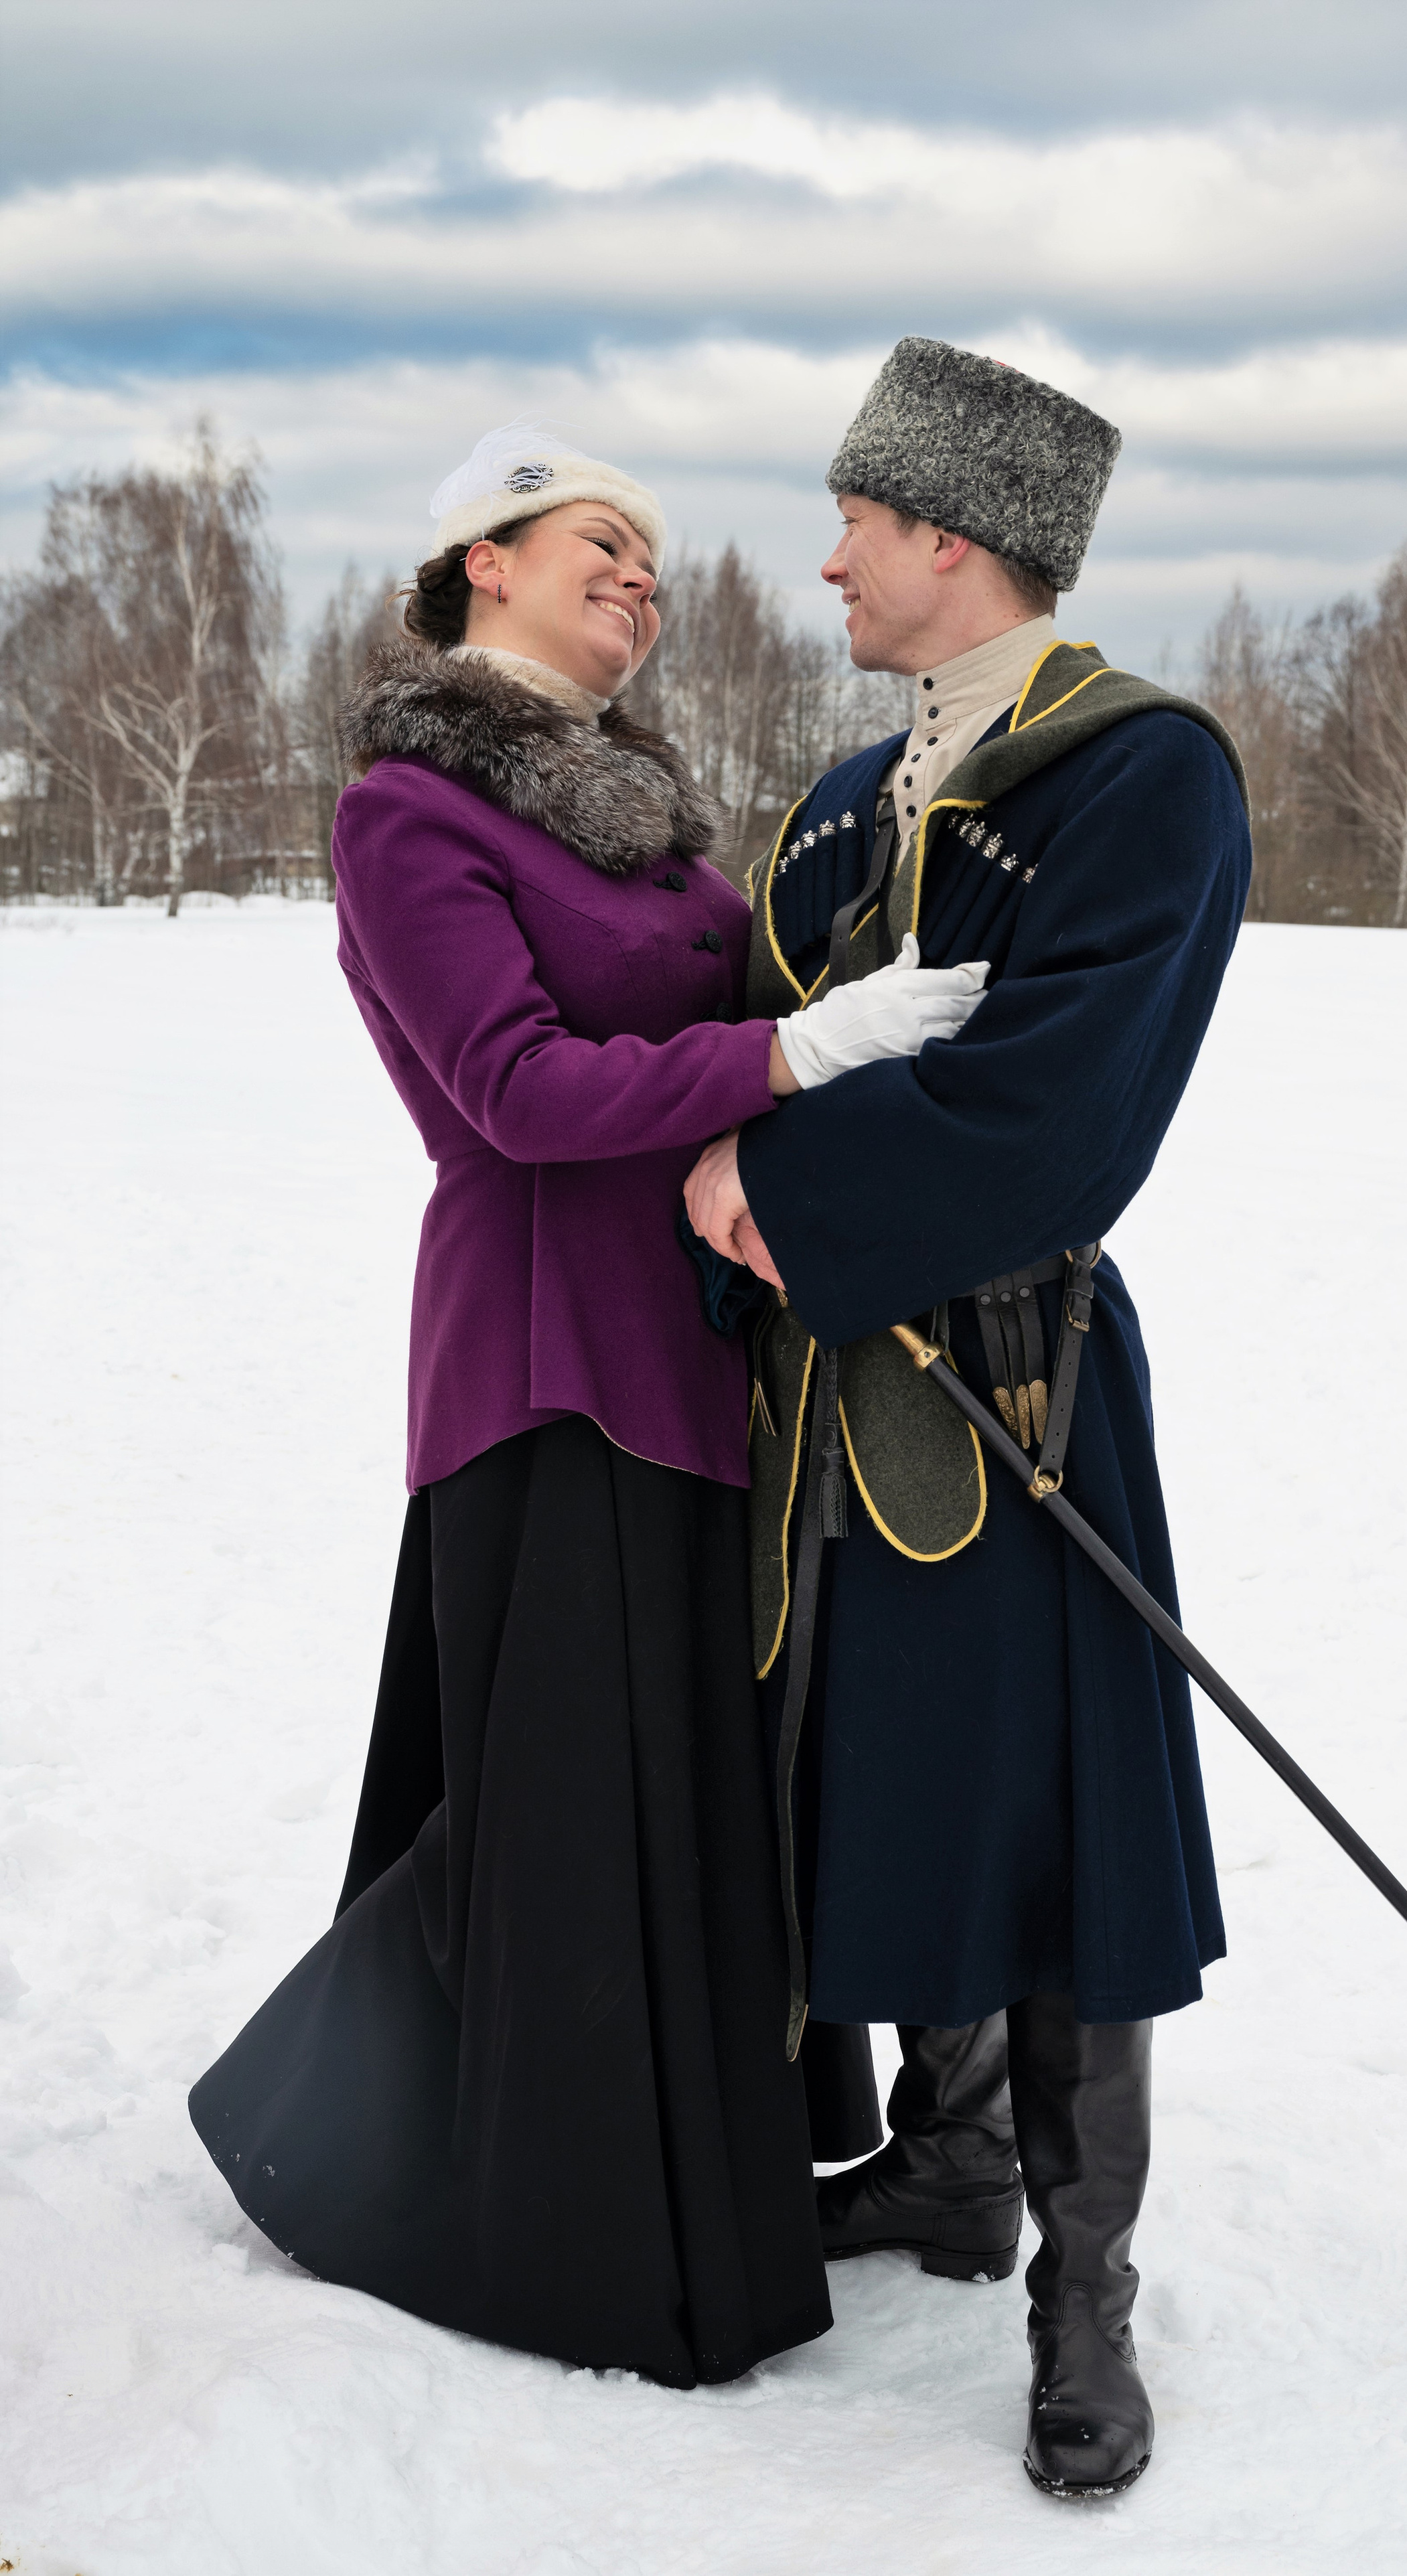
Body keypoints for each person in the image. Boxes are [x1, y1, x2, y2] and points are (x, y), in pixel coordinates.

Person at [188, 422, 986, 2389]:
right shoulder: (413, 812)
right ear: (485, 562)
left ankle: (692, 2185)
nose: (640, 573)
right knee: (569, 1805)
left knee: (671, 1795)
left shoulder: (646, 810)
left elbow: (716, 1005)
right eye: (599, 542)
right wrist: (793, 1058)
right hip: (549, 1356)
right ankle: (521, 2211)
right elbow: (519, 1097)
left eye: (654, 552)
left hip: (701, 1346)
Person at [684, 342, 1252, 2492]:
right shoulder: (841, 800)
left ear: (952, 536)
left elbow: (1064, 1113)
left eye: (855, 519)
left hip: (1021, 1387)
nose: (824, 556)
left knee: (1056, 1837)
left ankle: (1083, 2290)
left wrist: (783, 1181)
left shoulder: (1141, 777)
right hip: (822, 1405)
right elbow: (746, 1042)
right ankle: (943, 2164)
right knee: (881, 1786)